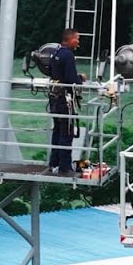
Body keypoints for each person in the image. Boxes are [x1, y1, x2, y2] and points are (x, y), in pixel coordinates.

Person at [47, 28, 85, 175]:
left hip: (54, 98)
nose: (78, 42)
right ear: (69, 39)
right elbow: (70, 78)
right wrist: (80, 80)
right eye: (77, 39)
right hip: (64, 100)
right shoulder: (68, 55)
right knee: (66, 132)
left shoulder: (55, 53)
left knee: (57, 130)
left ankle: (53, 163)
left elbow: (52, 73)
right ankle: (64, 167)